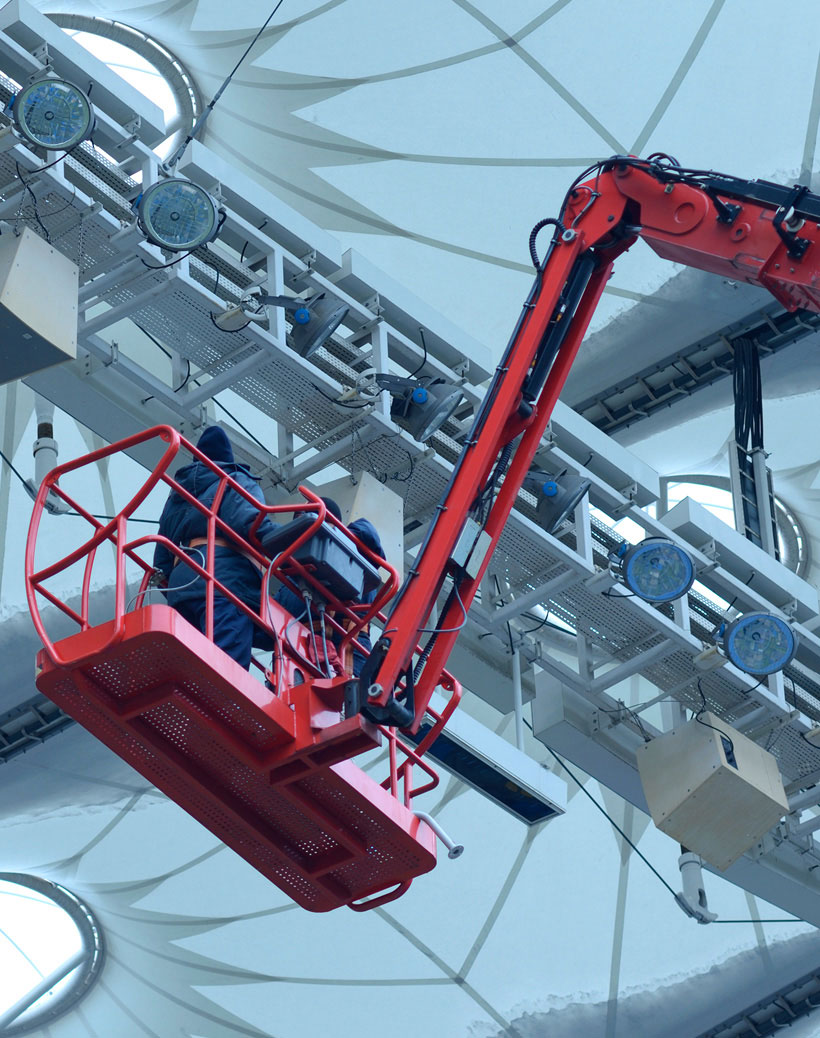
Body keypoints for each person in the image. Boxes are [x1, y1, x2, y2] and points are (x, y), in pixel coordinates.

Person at [153, 426, 278, 669]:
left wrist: (178, 590)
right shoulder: (233, 479)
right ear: (227, 458)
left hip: (182, 588)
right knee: (226, 672)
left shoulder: (177, 495)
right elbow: (249, 521)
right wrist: (286, 541)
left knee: (189, 672)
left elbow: (160, 562)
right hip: (224, 581)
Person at [273, 506, 385, 678]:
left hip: (349, 659)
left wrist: (334, 535)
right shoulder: (292, 575)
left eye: (305, 522)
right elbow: (270, 623)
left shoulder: (353, 558)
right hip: (300, 663)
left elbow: (369, 533)